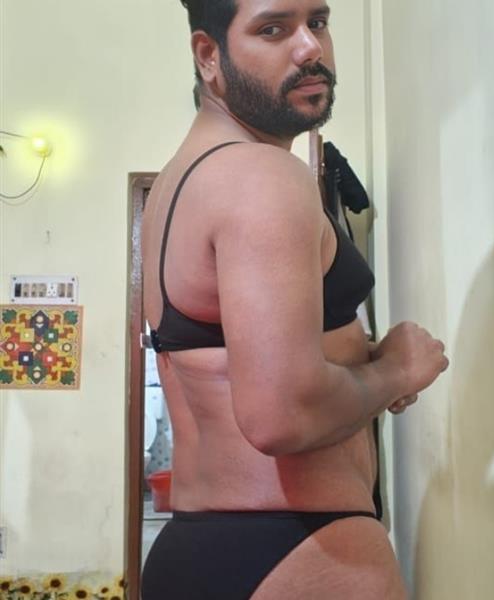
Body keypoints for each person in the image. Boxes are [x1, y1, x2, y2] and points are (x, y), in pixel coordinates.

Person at [140, 1, 449, 598]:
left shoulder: (179, 184)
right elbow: (282, 413)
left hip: (197, 546)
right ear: (208, 55)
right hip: (303, 549)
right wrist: (396, 369)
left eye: (319, 23)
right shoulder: (262, 176)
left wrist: (360, 367)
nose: (310, 48)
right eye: (274, 29)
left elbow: (244, 359)